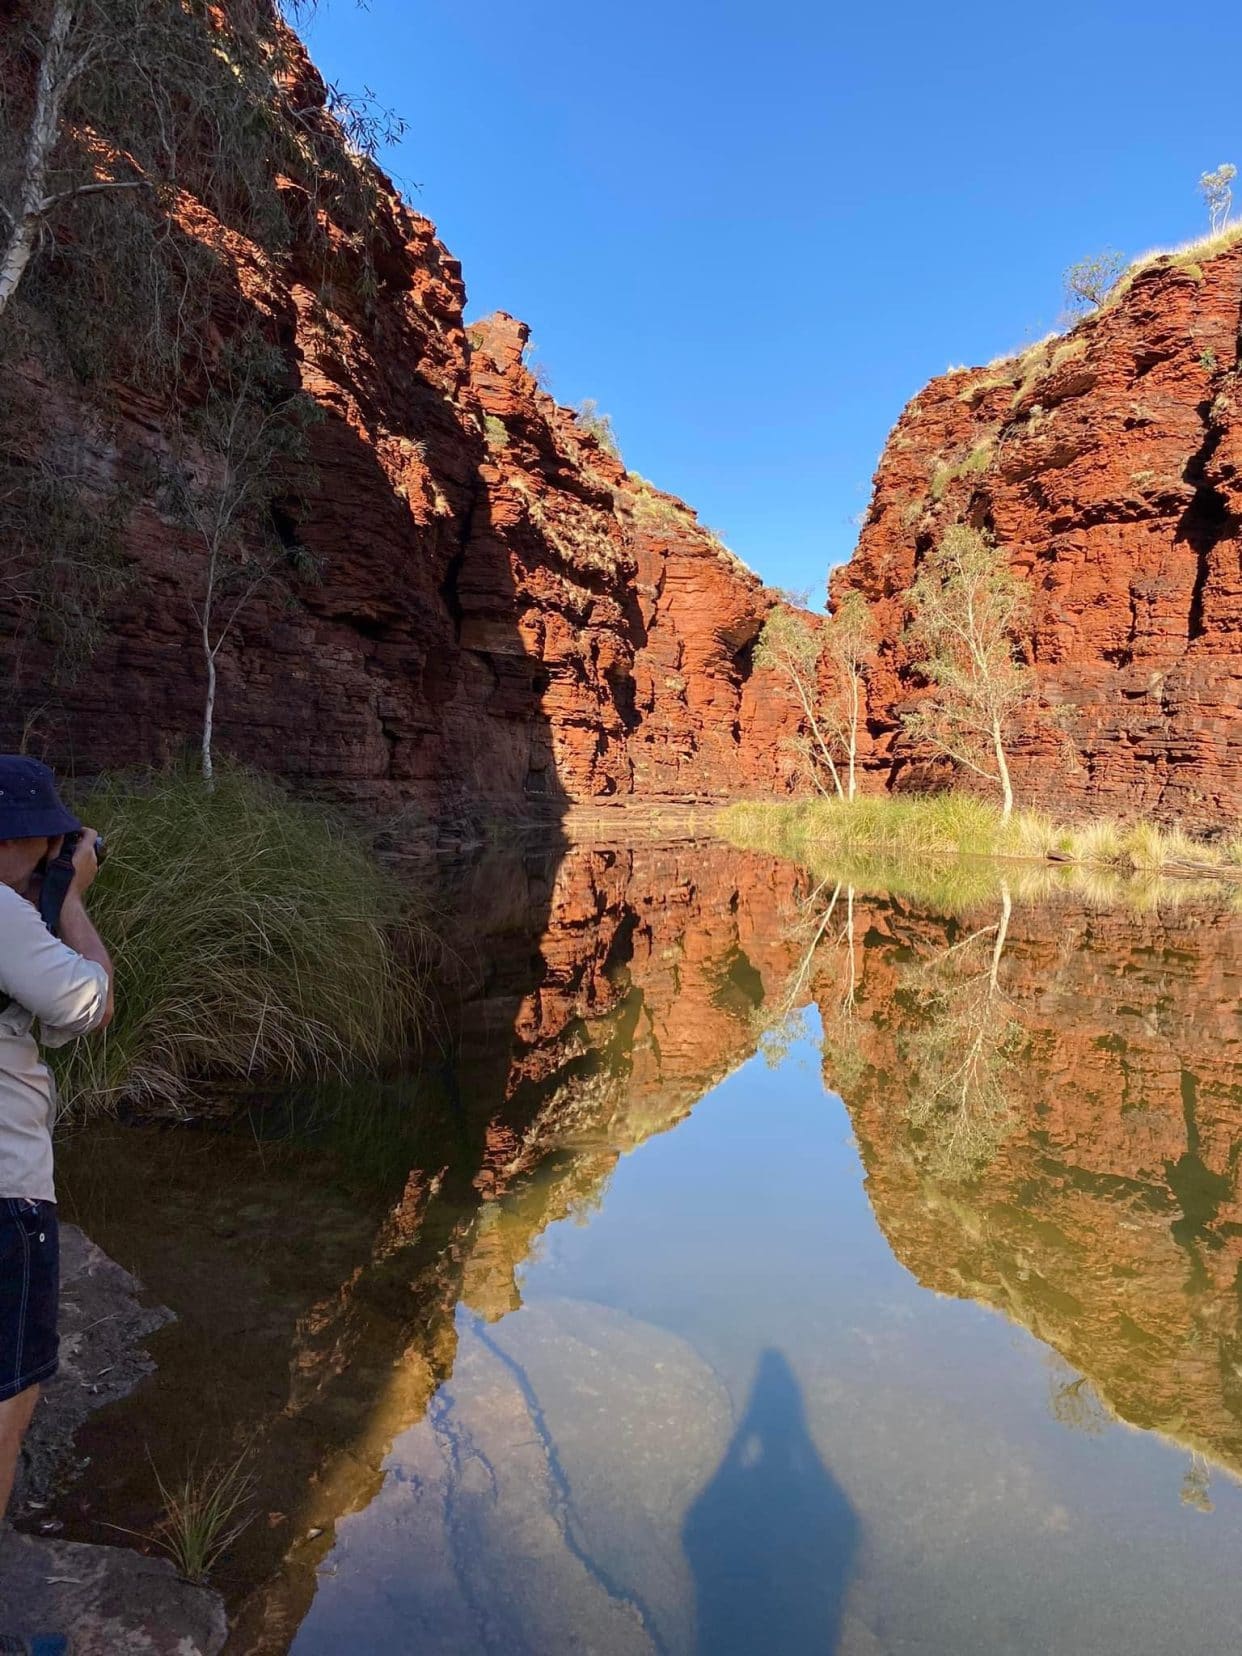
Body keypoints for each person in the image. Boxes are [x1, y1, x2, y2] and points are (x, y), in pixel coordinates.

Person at [0, 757, 113, 1531]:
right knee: (10, 1393)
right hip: (6, 1193)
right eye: (46, 844)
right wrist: (70, 900)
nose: (51, 854)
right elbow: (89, 1003)